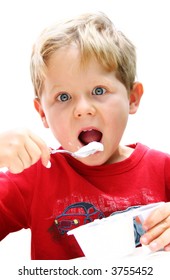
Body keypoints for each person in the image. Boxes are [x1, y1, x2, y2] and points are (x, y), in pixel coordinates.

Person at [0, 12, 170, 260]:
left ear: (132, 98)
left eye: (99, 90)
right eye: (64, 97)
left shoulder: (163, 170)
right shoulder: (33, 178)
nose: (82, 109)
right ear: (43, 114)